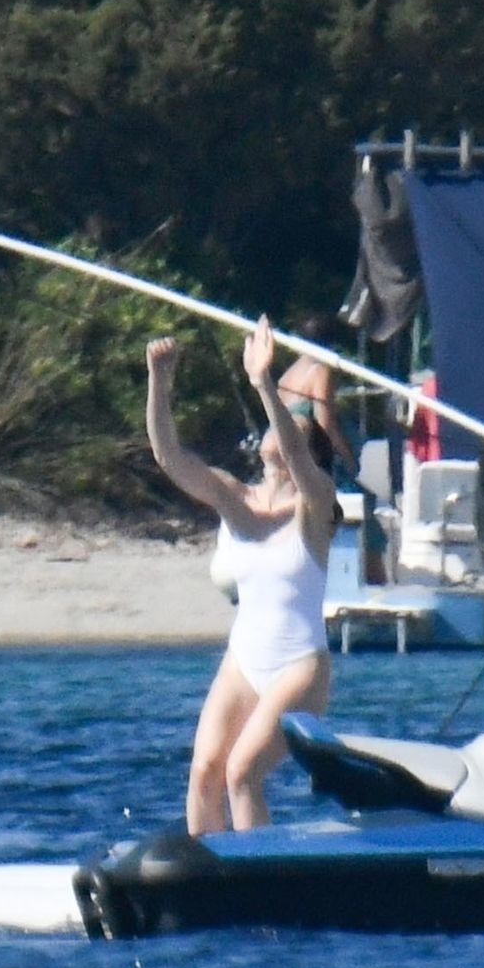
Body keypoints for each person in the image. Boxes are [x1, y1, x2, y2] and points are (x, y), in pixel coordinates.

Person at [147, 316, 337, 834]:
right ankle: (206, 871)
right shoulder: (237, 498)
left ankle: (258, 871)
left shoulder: (317, 504)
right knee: (205, 772)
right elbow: (169, 457)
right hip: (243, 662)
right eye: (282, 419)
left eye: (297, 422)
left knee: (243, 772)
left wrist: (263, 383)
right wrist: (160, 380)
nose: (285, 425)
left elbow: (297, 455)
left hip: (300, 667)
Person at [275, 314, 357, 470]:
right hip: (310, 454)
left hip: (283, 449)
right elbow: (325, 422)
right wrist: (349, 460)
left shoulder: (286, 376)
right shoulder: (320, 371)